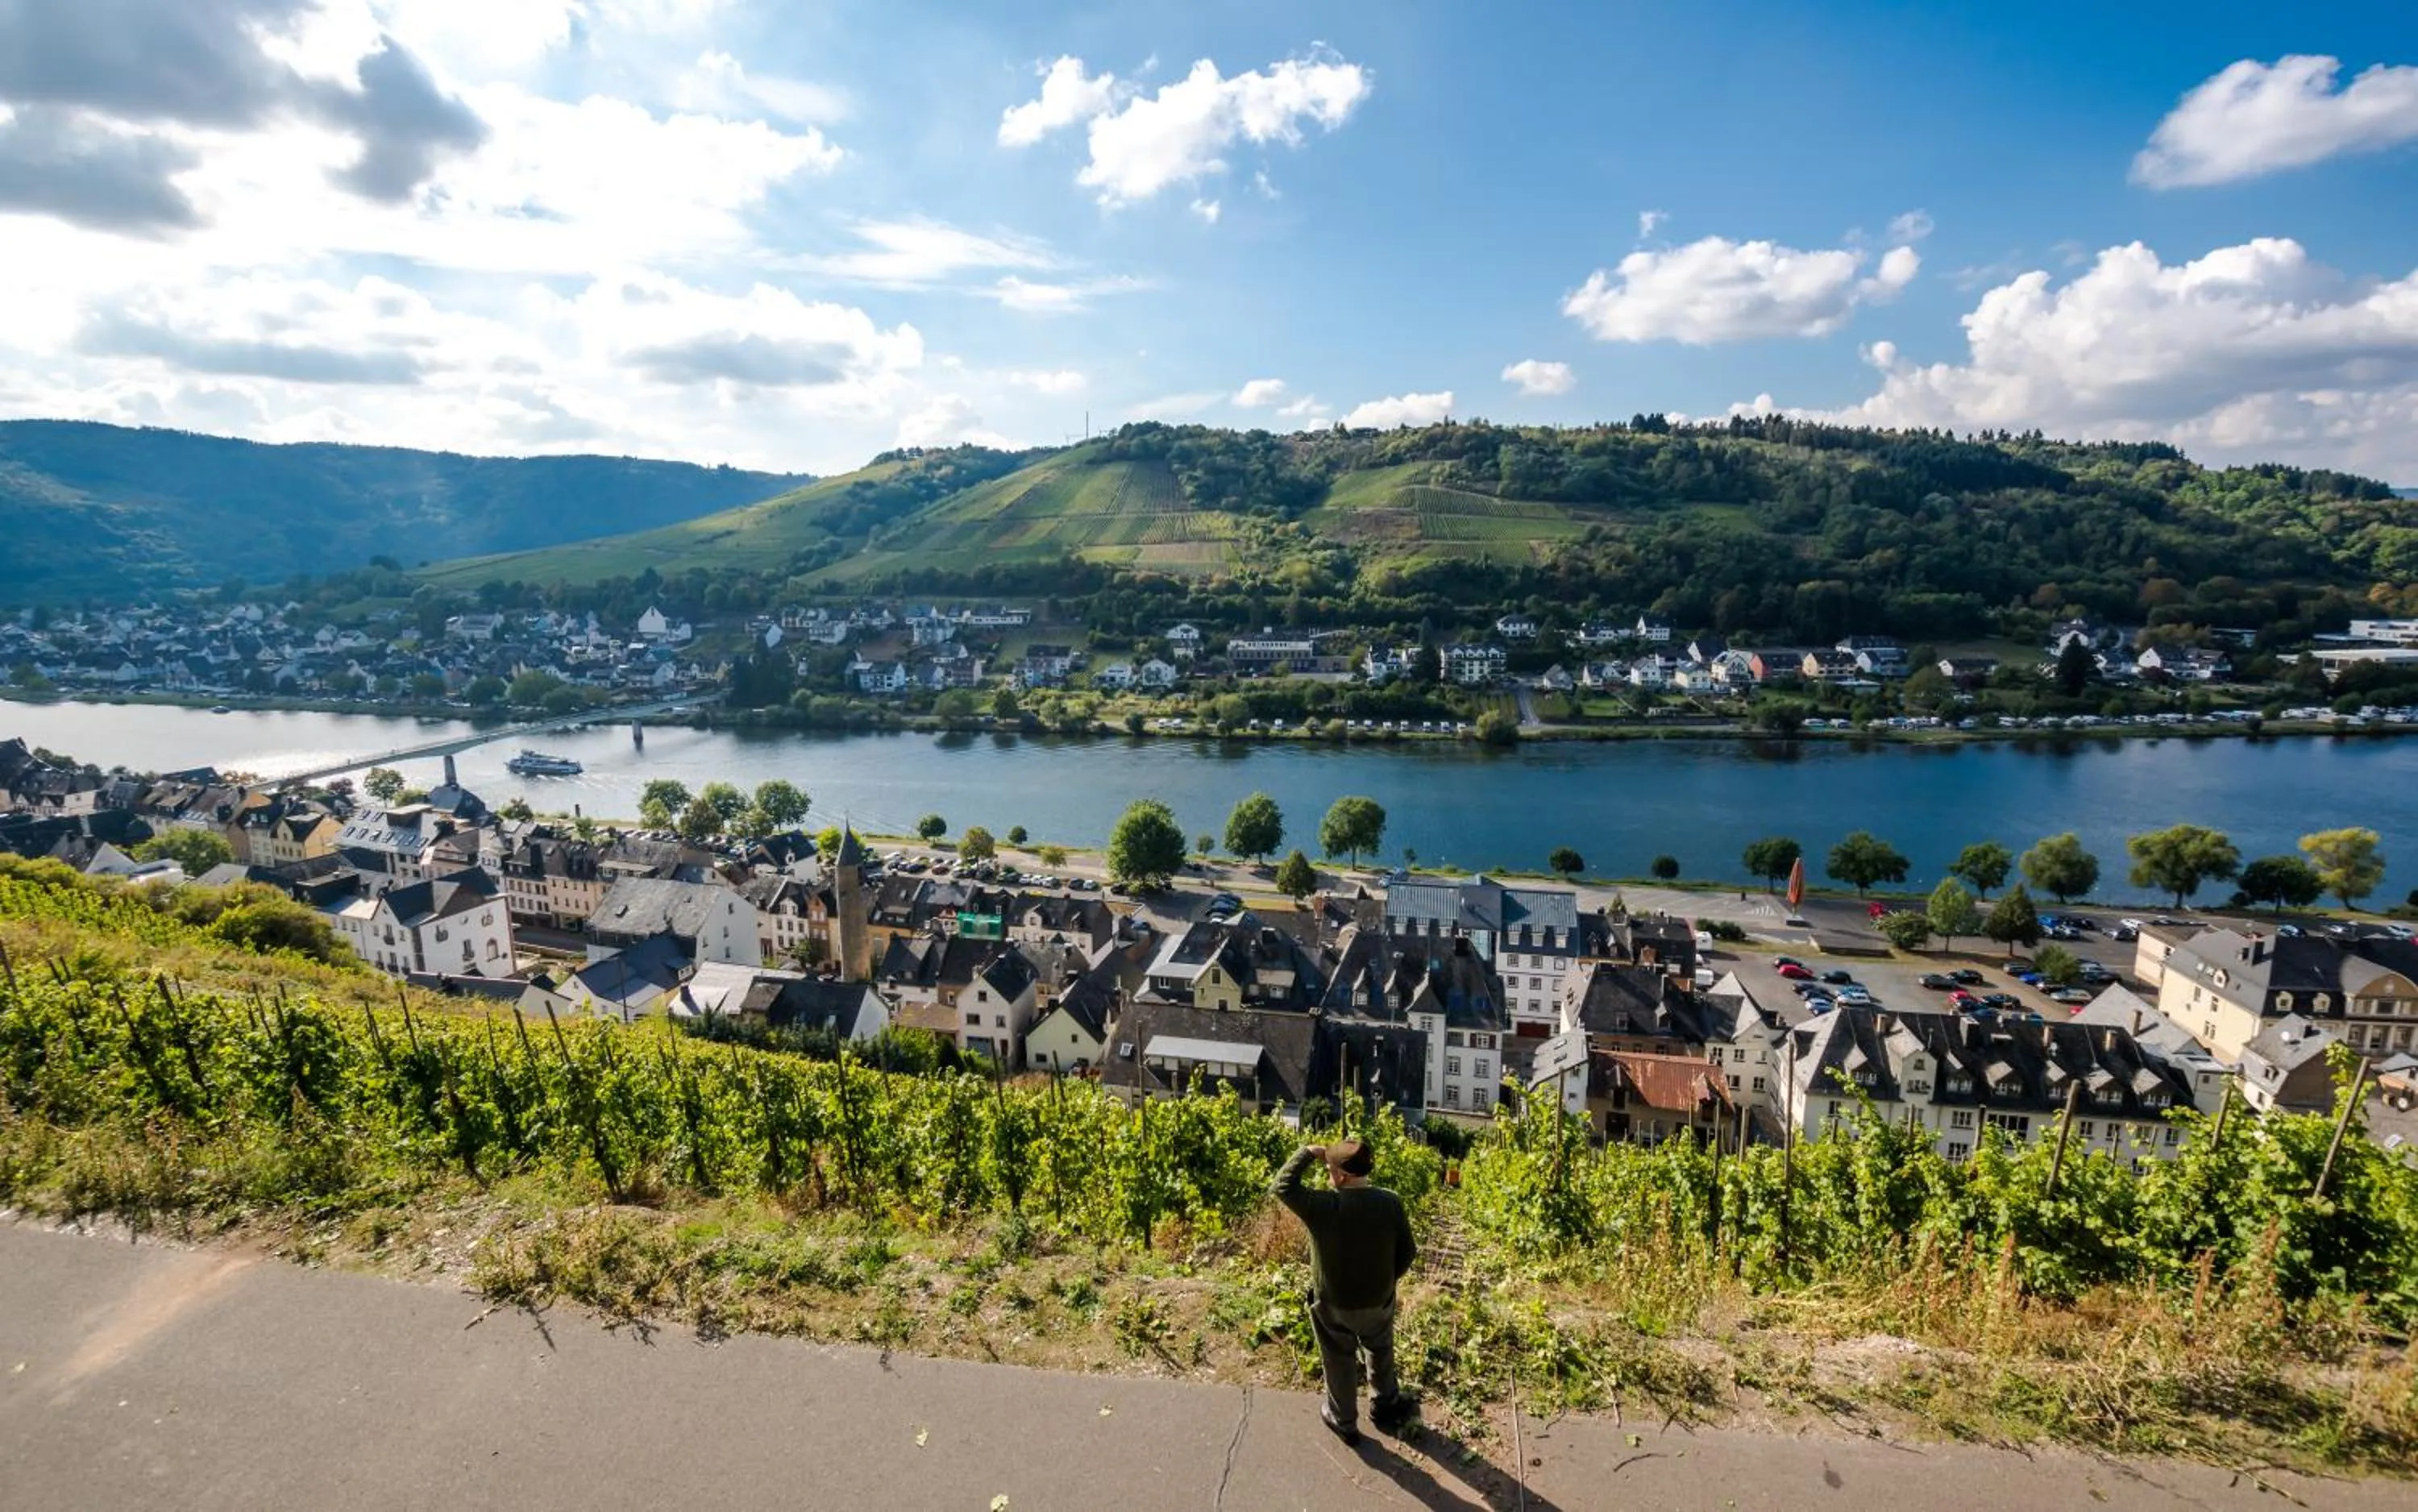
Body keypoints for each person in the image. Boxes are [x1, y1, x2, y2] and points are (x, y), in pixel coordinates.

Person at [1272, 1138, 1418, 1445]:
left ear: (1339, 1177)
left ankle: (1344, 1419)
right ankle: (1385, 1402)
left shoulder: (1323, 1205)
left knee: (1338, 1357)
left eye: (1329, 1170)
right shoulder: (1390, 1202)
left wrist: (1308, 1153)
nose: (1328, 1175)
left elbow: (1282, 1186)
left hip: (1333, 1305)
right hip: (1378, 1301)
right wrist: (1388, 1282)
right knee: (1380, 1349)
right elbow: (1408, 1251)